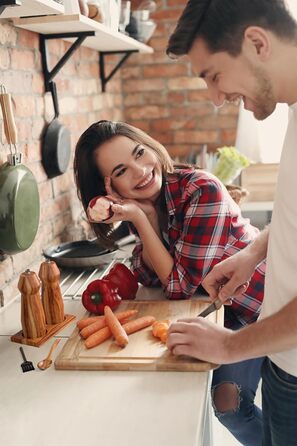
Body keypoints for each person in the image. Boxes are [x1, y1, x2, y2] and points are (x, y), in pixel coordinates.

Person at [74, 120, 266, 445]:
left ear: (150, 146)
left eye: (139, 153)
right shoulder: (151, 203)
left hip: (267, 306)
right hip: (227, 311)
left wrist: (140, 219)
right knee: (227, 404)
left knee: (260, 408)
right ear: (109, 188)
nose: (140, 171)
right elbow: (147, 272)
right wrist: (146, 217)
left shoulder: (201, 189)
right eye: (121, 171)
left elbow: (179, 287)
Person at [166, 1, 297, 445]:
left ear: (257, 43)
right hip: (284, 363)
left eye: (213, 75)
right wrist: (253, 253)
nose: (215, 97)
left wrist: (226, 346)